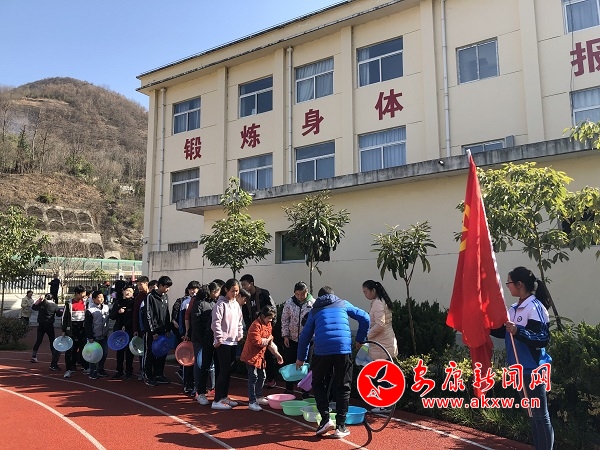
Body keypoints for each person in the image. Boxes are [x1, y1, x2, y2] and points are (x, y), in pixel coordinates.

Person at [491, 267, 554, 450]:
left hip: (533, 369)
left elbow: (542, 338)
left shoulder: (535, 307)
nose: (507, 286)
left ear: (519, 284)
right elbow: (504, 332)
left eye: (509, 282)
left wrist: (518, 331)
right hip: (518, 369)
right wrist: (484, 326)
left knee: (541, 416)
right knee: (532, 415)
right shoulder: (513, 309)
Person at [296, 286, 369, 439]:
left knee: (317, 383)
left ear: (318, 297)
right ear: (333, 295)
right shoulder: (342, 303)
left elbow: (305, 336)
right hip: (343, 348)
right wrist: (360, 339)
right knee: (343, 386)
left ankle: (325, 419)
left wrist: (301, 358)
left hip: (322, 350)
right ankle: (341, 426)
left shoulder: (315, 310)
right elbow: (365, 317)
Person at [361, 280, 398, 413]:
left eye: (366, 292)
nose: (365, 295)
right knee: (385, 375)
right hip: (386, 342)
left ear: (373, 291)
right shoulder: (380, 300)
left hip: (382, 344)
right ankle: (387, 404)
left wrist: (367, 336)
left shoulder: (377, 303)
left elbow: (380, 324)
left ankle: (385, 404)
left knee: (381, 376)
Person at [241, 305, 284, 411]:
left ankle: (259, 396)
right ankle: (252, 401)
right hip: (251, 356)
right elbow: (258, 341)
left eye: (272, 318)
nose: (271, 320)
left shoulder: (268, 325)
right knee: (253, 377)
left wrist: (277, 354)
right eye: (269, 318)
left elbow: (269, 342)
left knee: (262, 376)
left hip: (260, 356)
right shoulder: (255, 325)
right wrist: (268, 339)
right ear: (263, 316)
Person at [210, 278, 244, 410]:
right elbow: (216, 323)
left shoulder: (236, 305)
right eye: (233, 291)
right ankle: (216, 400)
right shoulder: (220, 305)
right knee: (223, 370)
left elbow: (239, 321)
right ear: (226, 290)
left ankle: (224, 396)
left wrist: (240, 334)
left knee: (229, 370)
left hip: (233, 341)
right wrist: (219, 338)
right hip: (223, 342)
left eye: (237, 291)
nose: (235, 294)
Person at [239, 274, 278, 388]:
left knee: (268, 354)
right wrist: (250, 329)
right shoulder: (246, 297)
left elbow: (273, 310)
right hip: (255, 330)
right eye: (242, 285)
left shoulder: (263, 293)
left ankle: (271, 379)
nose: (243, 287)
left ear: (251, 283)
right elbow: (245, 314)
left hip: (265, 329)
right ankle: (256, 379)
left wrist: (270, 326)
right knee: (254, 353)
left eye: (244, 284)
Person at [185, 282, 220, 405]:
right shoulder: (199, 304)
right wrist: (201, 339)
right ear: (211, 292)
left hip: (209, 338)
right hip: (200, 340)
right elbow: (196, 323)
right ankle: (199, 389)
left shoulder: (213, 303)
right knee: (200, 364)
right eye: (216, 292)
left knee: (208, 364)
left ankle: (210, 387)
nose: (217, 294)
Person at [281, 281, 314, 395]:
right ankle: (289, 388)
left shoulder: (313, 303)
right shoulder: (289, 303)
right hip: (292, 339)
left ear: (307, 292)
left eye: (302, 294)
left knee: (306, 365)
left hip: (308, 340)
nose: (299, 297)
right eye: (297, 294)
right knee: (290, 363)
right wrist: (285, 335)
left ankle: (305, 391)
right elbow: (285, 319)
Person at [143, 275, 173, 386]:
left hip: (162, 330)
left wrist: (168, 328)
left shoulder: (166, 297)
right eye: (166, 287)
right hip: (152, 331)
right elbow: (148, 315)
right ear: (160, 285)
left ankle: (159, 374)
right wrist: (153, 332)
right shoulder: (150, 296)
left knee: (162, 353)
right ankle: (148, 376)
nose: (168, 289)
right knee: (150, 353)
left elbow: (167, 313)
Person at [61, 285, 89, 378]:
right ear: (77, 293)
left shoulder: (86, 303)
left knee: (83, 348)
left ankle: (85, 367)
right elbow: (64, 317)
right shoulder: (69, 303)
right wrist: (64, 330)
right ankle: (69, 368)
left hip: (82, 328)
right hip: (72, 328)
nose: (84, 295)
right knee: (70, 349)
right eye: (83, 293)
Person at [110, 284, 136, 379]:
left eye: (130, 291)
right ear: (123, 291)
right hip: (119, 331)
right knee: (119, 351)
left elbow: (134, 317)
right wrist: (118, 312)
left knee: (129, 352)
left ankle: (129, 371)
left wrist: (127, 325)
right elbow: (112, 316)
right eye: (126, 291)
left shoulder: (133, 303)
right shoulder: (118, 302)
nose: (128, 292)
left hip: (129, 330)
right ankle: (119, 370)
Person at [30, 293, 62, 369]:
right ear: (52, 298)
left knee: (39, 340)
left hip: (41, 324)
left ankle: (34, 356)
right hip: (49, 325)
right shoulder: (54, 305)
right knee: (52, 341)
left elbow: (33, 307)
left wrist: (39, 300)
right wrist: (61, 311)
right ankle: (53, 357)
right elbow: (59, 314)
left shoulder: (42, 304)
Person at [84, 291, 110, 379]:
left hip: (104, 335)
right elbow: (87, 325)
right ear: (94, 299)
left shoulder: (106, 307)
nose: (101, 299)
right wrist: (90, 336)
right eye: (99, 297)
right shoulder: (90, 310)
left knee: (104, 353)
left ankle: (100, 369)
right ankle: (93, 371)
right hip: (95, 336)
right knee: (94, 355)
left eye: (102, 297)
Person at [132, 276, 150, 380]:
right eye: (138, 285)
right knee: (142, 351)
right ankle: (143, 371)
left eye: (140, 284)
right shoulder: (138, 298)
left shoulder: (152, 296)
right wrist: (135, 329)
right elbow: (135, 314)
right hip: (141, 329)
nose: (139, 287)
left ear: (146, 283)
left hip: (152, 329)